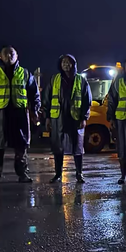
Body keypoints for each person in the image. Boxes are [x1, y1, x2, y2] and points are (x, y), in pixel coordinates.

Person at [44, 55, 92, 183]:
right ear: (60, 64)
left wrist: (84, 118)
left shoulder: (81, 81)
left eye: (68, 62)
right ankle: (58, 174)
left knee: (77, 147)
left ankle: (79, 174)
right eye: (63, 62)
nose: (66, 64)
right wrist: (47, 118)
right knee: (57, 148)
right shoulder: (54, 79)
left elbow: (87, 100)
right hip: (57, 117)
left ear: (73, 64)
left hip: (75, 118)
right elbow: (47, 99)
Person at [0, 46, 41, 182]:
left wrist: (35, 110)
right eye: (6, 54)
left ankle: (22, 174)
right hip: (1, 114)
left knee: (21, 145)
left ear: (17, 56)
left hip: (19, 114)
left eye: (11, 53)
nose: (9, 56)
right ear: (1, 57)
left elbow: (34, 94)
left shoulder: (25, 73)